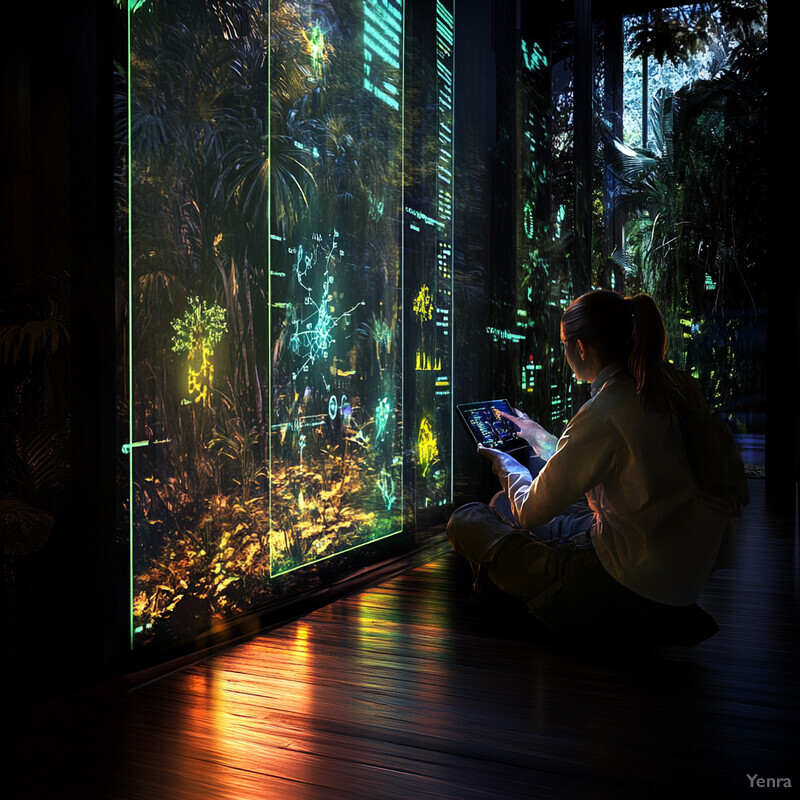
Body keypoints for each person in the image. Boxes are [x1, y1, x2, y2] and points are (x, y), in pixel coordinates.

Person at [447, 290, 742, 645]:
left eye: (564, 344)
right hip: (675, 574)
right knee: (502, 504)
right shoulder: (667, 389)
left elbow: (528, 512)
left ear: (581, 348)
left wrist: (507, 464)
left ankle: (536, 601)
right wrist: (538, 437)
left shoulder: (603, 412)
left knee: (469, 519)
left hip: (627, 586)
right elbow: (607, 462)